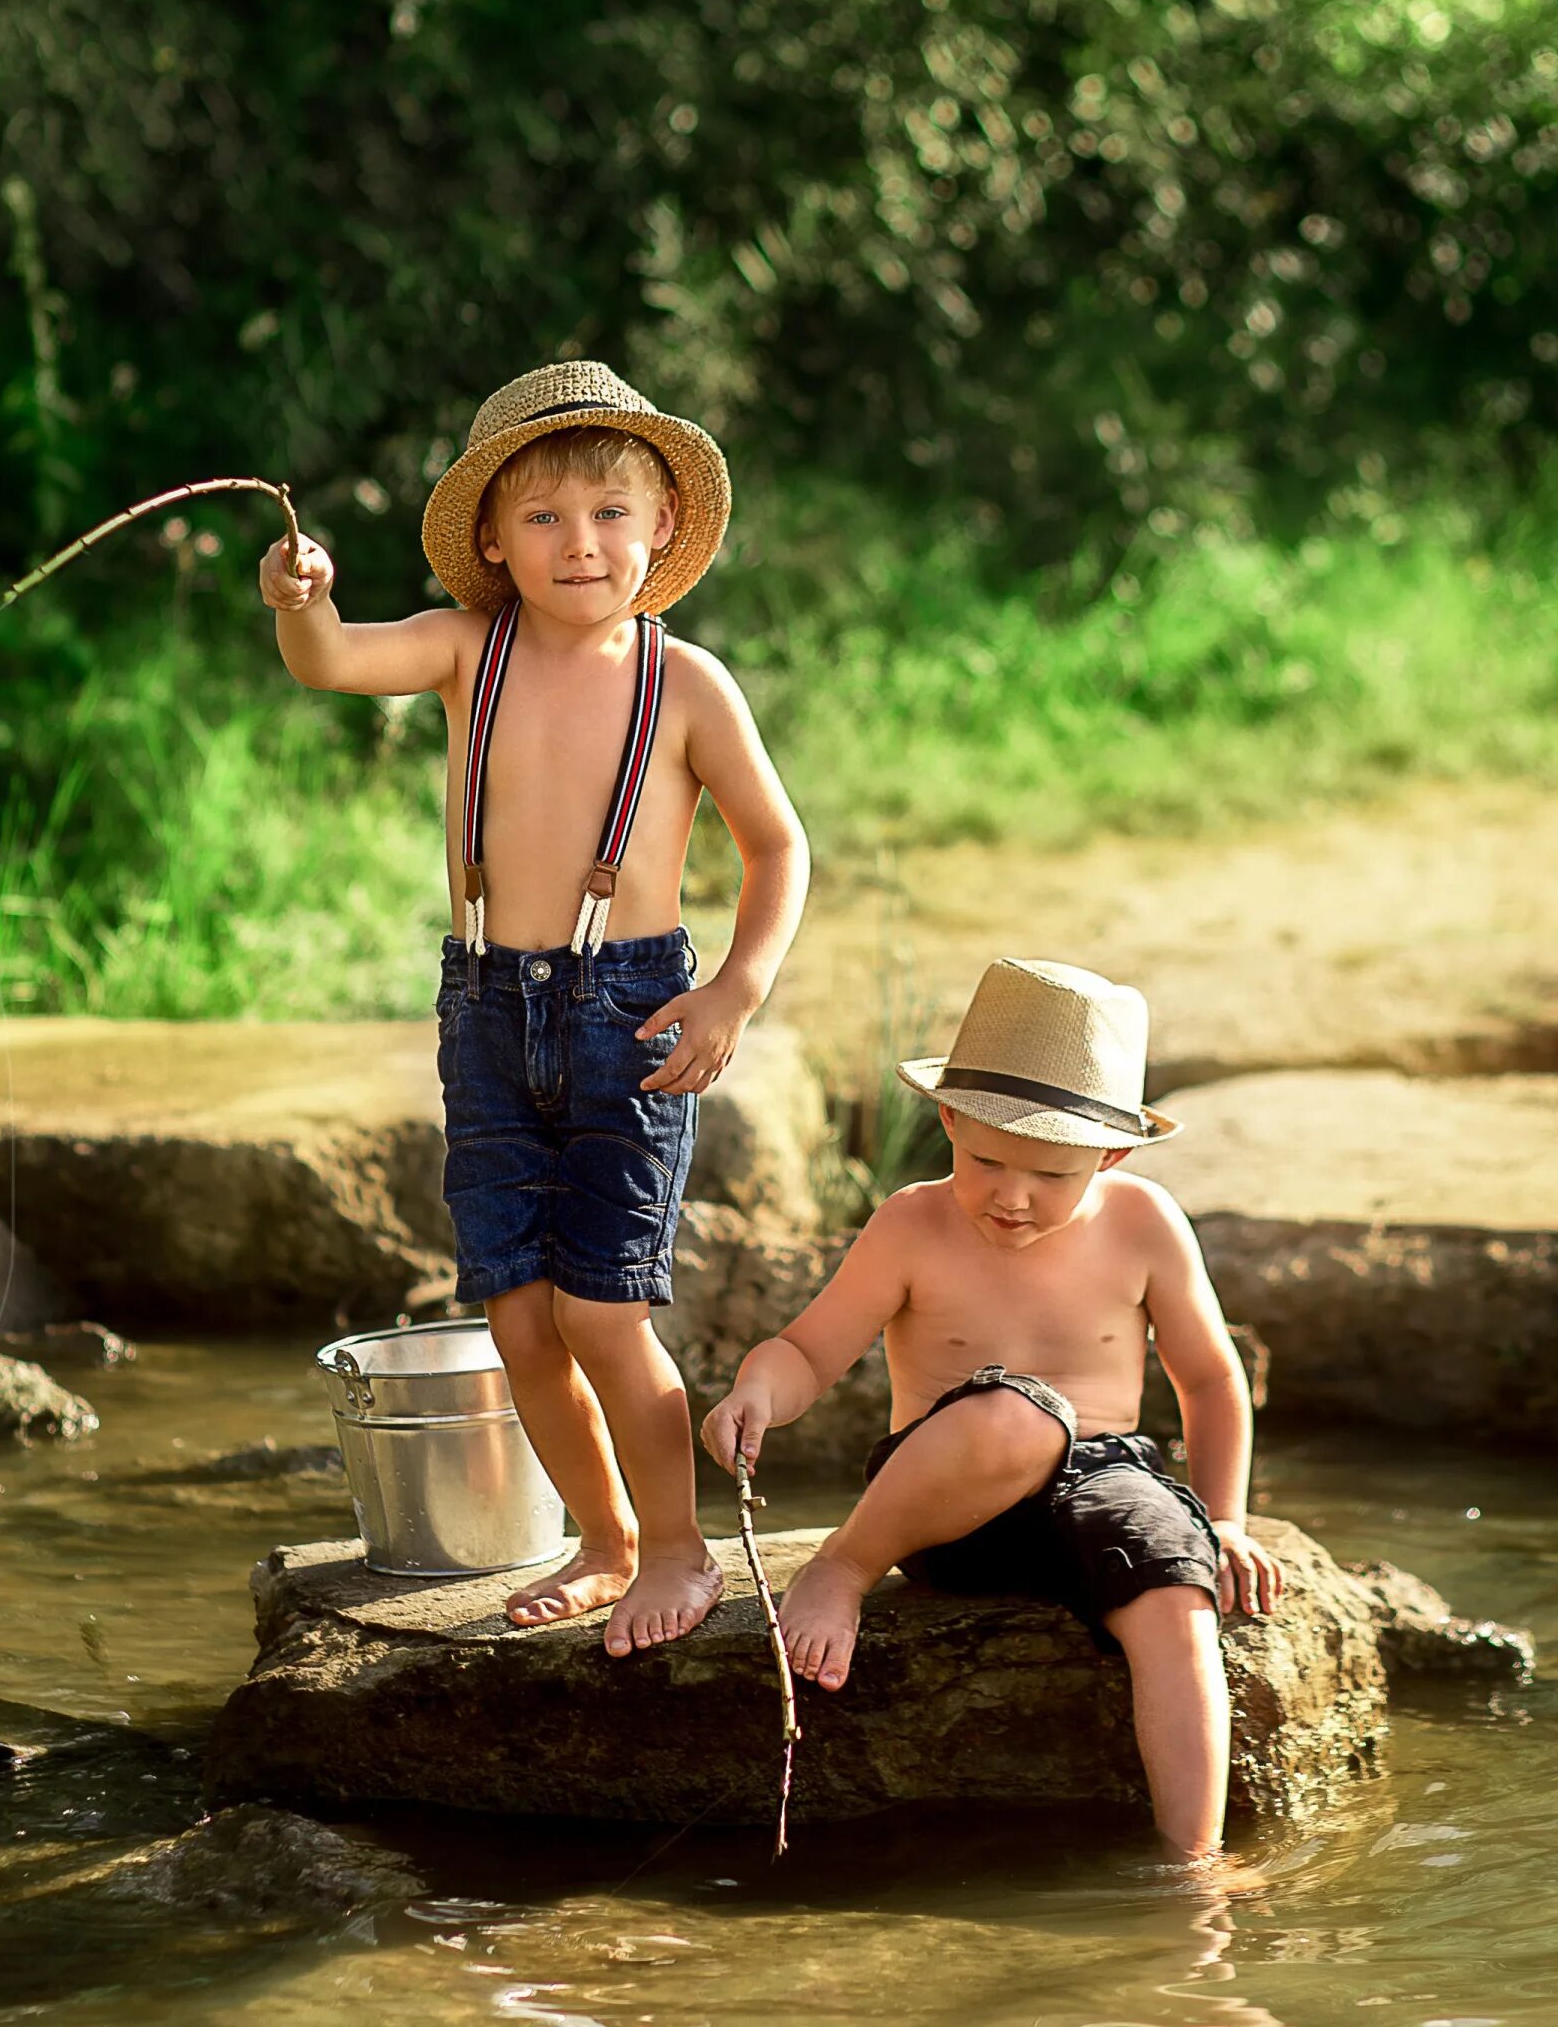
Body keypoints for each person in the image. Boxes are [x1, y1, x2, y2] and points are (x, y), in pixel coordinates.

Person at [261, 361, 808, 1657]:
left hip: (632, 1011)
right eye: (546, 518)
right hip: (488, 1009)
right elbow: (330, 661)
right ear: (495, 543)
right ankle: (605, 1541)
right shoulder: (466, 650)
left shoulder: (688, 685)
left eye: (611, 513)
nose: (582, 544)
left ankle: (676, 1552)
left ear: (663, 525)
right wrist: (302, 598)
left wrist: (736, 988)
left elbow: (779, 849)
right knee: (517, 1317)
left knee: (605, 1310)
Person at [700, 958, 1282, 1859]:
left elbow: (1210, 1378)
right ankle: (842, 1570)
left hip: (1107, 1476)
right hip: (947, 1496)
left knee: (1176, 1597)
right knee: (1022, 1416)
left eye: (1050, 1174)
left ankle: (1192, 1868)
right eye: (985, 1161)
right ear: (948, 1121)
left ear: (1111, 1156)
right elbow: (808, 1352)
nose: (1011, 1196)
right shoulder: (911, 1224)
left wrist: (1229, 1519)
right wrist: (756, 1393)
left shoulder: (1145, 1223)